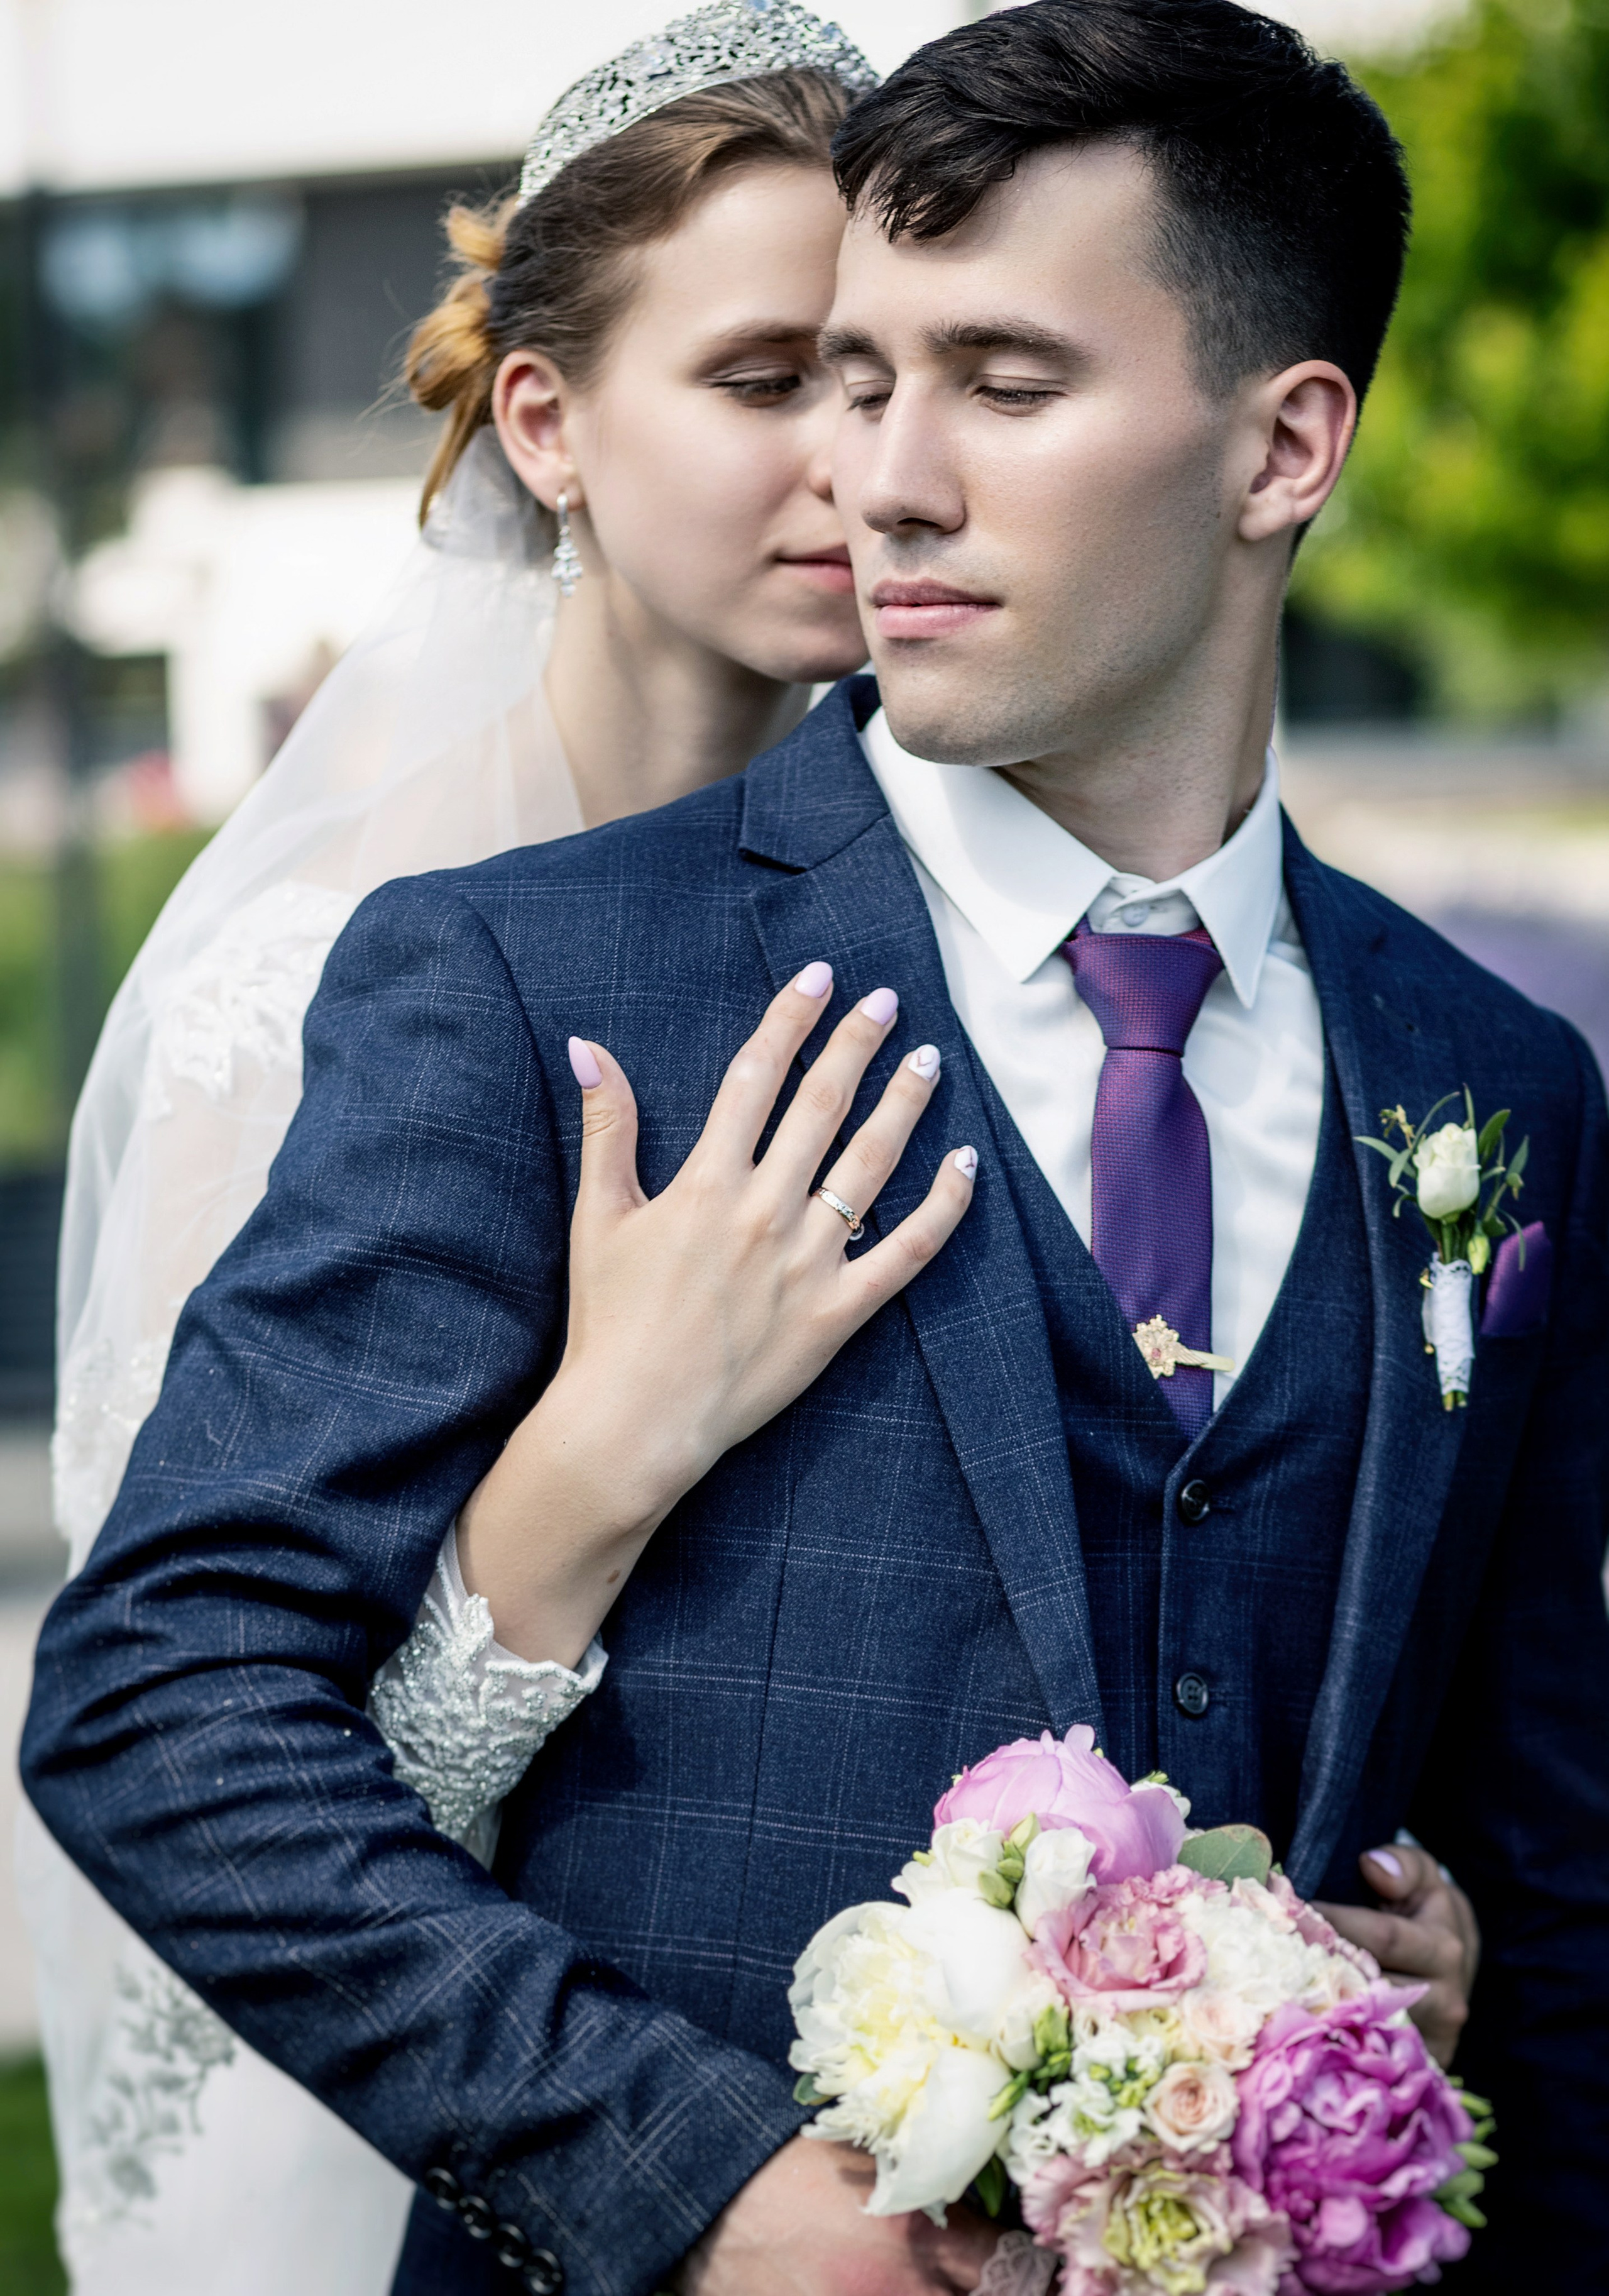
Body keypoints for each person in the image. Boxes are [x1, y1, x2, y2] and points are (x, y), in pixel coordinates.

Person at [26, 3, 1587, 2293]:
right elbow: (166, 1708)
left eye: (1007, 384)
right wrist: (688, 2183)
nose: (884, 480)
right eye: (852, 378)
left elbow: (1549, 1876)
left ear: (1286, 446)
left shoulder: (1497, 1080)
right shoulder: (519, 981)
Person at [19, 9, 881, 2292]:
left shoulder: (920, 913)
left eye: (885, 379)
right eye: (765, 376)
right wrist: (590, 1459)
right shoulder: (304, 975)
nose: (852, 459)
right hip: (375, 2102)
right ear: (548, 419)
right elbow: (198, 1734)